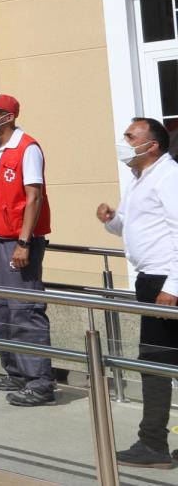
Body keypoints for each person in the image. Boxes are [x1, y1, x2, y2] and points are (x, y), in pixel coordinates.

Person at [99, 118, 178, 468]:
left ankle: (153, 444)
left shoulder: (169, 176)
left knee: (156, 363)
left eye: (131, 137)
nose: (125, 141)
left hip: (166, 281)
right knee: (157, 363)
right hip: (152, 280)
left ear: (153, 145)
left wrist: (173, 287)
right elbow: (128, 227)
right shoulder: (139, 178)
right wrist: (110, 219)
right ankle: (153, 442)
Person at [0, 94, 55, 406]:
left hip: (22, 242)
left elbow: (33, 197)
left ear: (7, 117)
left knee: (26, 311)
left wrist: (23, 241)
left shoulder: (27, 148)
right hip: (3, 239)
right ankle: (16, 373)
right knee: (5, 310)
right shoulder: (0, 149)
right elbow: (0, 198)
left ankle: (40, 383)